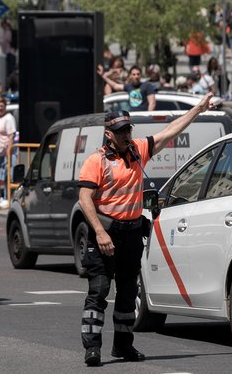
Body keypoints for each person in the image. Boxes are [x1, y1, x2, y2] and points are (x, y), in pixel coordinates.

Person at [78, 94, 215, 367]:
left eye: (128, 129)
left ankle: (123, 346)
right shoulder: (97, 160)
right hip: (105, 232)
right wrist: (100, 232)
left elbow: (170, 131)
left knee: (128, 292)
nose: (127, 134)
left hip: (130, 233)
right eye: (121, 131)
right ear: (109, 134)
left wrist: (198, 109)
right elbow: (84, 199)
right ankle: (92, 349)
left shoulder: (138, 151)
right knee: (100, 289)